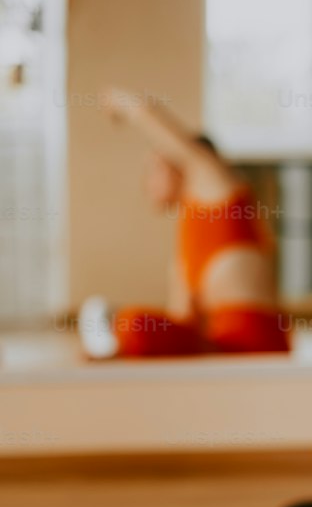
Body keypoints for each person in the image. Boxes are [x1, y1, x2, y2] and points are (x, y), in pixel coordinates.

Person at [78, 88, 287, 359]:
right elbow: (183, 324)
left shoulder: (219, 192)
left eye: (155, 168)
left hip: (253, 340)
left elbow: (167, 133)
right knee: (139, 327)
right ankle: (115, 340)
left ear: (182, 166)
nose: (147, 181)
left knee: (134, 323)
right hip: (217, 345)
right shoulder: (183, 254)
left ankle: (117, 332)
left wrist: (125, 104)